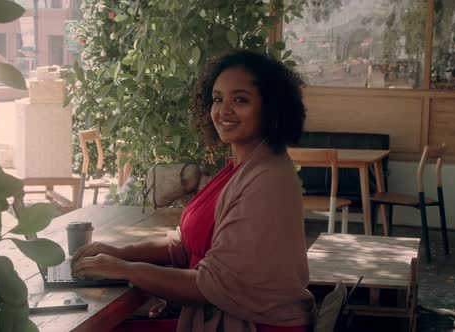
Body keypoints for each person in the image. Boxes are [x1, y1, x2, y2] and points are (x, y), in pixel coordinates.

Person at [71, 49, 315, 331]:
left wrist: (124, 270)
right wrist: (120, 253)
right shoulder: (241, 167)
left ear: (270, 106)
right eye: (217, 99)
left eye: (240, 99)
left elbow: (209, 286)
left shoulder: (267, 180)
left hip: (252, 325)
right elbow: (185, 245)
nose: (224, 110)